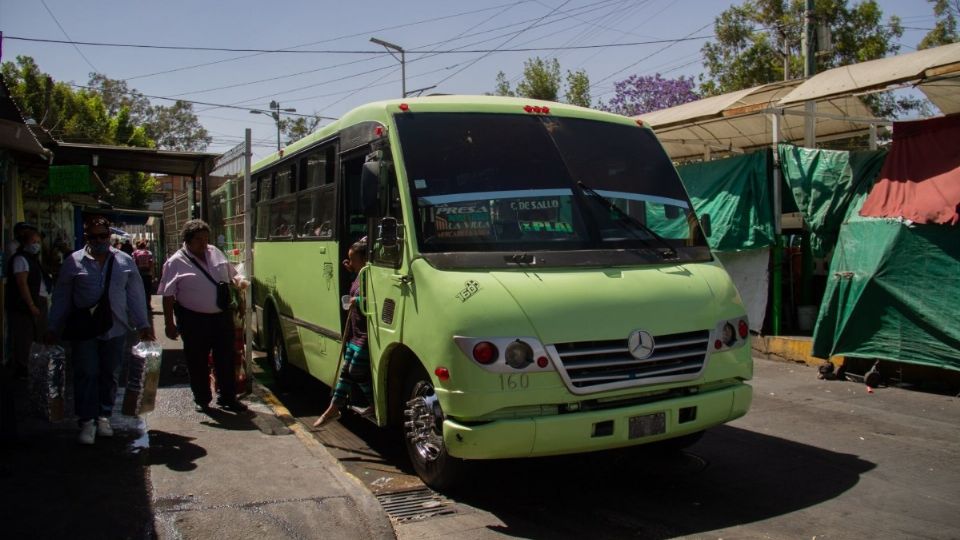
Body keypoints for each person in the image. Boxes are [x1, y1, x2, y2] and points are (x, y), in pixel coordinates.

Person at [47, 215, 154, 445]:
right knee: (86, 372)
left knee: (110, 373)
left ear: (109, 235)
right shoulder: (73, 262)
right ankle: (86, 421)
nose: (99, 240)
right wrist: (53, 326)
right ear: (86, 237)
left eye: (103, 236)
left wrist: (143, 324)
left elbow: (135, 295)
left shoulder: (125, 261)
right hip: (84, 328)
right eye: (93, 237)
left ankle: (104, 416)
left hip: (116, 327)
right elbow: (62, 297)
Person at [157, 219, 249, 414]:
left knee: (225, 358)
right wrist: (169, 324)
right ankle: (202, 398)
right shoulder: (175, 262)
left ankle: (228, 397)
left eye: (206, 239)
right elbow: (167, 296)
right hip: (193, 319)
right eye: (199, 239)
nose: (203, 244)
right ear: (188, 240)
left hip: (221, 316)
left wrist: (240, 282)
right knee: (197, 360)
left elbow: (232, 275)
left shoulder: (214, 251)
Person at [314, 238, 373, 427]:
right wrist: (351, 272)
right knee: (345, 372)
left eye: (353, 259)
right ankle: (333, 408)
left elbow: (376, 300)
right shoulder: (358, 274)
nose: (350, 263)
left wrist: (359, 301)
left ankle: (374, 403)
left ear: (364, 260)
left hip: (365, 332)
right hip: (355, 332)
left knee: (355, 369)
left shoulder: (370, 276)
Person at [5, 222, 52, 379]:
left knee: (38, 335)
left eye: (38, 242)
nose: (37, 245)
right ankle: (24, 368)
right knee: (24, 337)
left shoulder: (32, 259)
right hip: (25, 304)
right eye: (34, 242)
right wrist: (31, 304)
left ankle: (35, 365)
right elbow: (22, 284)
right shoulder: (21, 259)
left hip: (38, 300)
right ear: (25, 242)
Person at [132, 240, 155, 311]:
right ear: (145, 246)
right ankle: (148, 305)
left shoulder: (135, 253)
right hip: (148, 274)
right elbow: (151, 263)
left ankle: (140, 305)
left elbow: (134, 263)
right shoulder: (148, 252)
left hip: (139, 274)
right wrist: (152, 273)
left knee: (139, 290)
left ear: (137, 246)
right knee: (148, 290)